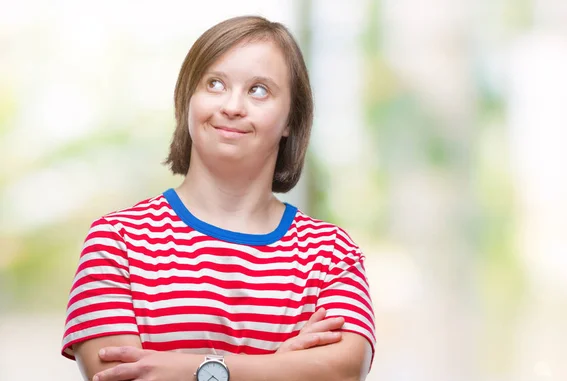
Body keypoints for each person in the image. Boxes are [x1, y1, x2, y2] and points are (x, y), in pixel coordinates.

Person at [61, 15, 376, 381]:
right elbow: (121, 376)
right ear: (187, 100)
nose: (232, 106)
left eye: (259, 90)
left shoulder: (332, 253)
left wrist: (192, 369)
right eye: (215, 83)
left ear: (291, 118)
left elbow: (345, 370)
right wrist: (279, 367)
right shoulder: (116, 241)